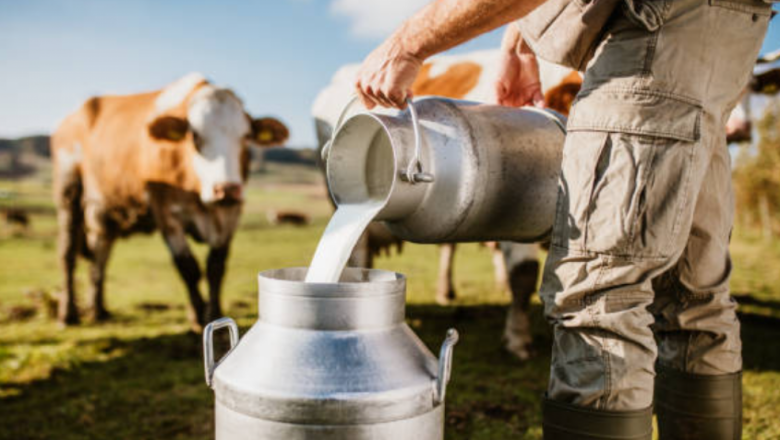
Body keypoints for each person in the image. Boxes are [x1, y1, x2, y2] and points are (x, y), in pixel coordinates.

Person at [353, 0, 773, 438]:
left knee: (599, 298)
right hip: (724, 30)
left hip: (649, 37)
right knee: (692, 298)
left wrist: (407, 45)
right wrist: (520, 41)